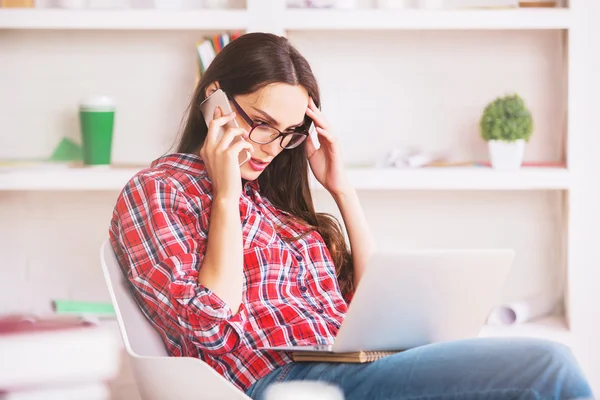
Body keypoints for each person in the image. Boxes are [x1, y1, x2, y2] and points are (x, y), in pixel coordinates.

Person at [109, 32, 592, 400]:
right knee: (549, 366)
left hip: (349, 365)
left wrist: (343, 191)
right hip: (284, 383)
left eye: (288, 134)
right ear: (213, 98)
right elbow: (210, 326)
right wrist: (225, 197)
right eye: (260, 122)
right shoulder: (158, 190)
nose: (270, 148)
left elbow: (370, 316)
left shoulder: (274, 200)